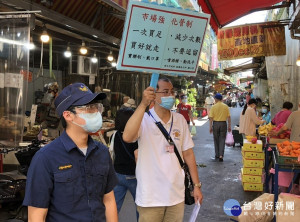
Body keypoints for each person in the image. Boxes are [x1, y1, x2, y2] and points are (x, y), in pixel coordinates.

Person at [23, 83, 118, 222]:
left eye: (97, 107)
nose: (96, 112)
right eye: (88, 108)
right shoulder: (46, 158)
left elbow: (108, 200)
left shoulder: (102, 152)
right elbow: (36, 215)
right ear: (68, 115)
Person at [123, 78, 203, 222]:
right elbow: (127, 137)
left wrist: (196, 186)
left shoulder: (179, 120)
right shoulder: (143, 118)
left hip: (176, 195)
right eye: (165, 92)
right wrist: (143, 104)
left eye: (172, 92)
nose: (170, 95)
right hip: (150, 197)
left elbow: (188, 154)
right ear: (154, 94)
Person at [113, 108, 139, 220]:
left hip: (117, 174)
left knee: (113, 207)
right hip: (132, 175)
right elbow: (137, 156)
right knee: (141, 207)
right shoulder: (134, 137)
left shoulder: (116, 134)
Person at [208, 93, 231, 162]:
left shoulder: (213, 107)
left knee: (216, 139)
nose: (214, 99)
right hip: (223, 123)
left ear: (216, 99)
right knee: (222, 139)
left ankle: (217, 154)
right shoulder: (225, 106)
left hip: (215, 124)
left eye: (215, 98)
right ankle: (221, 155)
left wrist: (210, 127)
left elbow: (211, 118)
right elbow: (229, 117)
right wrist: (229, 126)